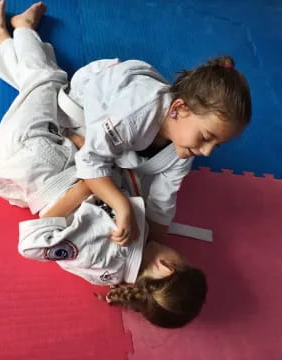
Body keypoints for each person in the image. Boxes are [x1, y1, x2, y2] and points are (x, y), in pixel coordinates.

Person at [0, 0, 207, 328]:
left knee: (48, 81)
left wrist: (90, 179)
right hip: (56, 162)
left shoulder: (108, 255)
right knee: (48, 95)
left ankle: (23, 29)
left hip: (34, 157)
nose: (176, 251)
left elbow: (33, 241)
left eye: (181, 259)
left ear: (167, 267)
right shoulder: (114, 269)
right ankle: (0, 37)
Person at [55, 18, 252, 249]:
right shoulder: (133, 115)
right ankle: (17, 34)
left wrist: (154, 250)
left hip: (131, 123)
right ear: (179, 108)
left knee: (135, 182)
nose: (207, 152)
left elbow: (161, 202)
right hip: (90, 93)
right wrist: (122, 206)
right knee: (46, 93)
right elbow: (90, 162)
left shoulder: (184, 147)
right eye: (206, 137)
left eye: (217, 145)